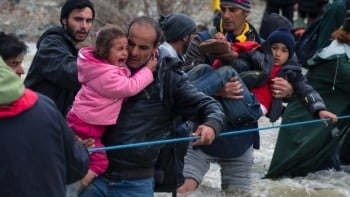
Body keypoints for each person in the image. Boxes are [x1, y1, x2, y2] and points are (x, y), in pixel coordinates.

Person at [79, 16, 225, 197]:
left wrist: (212, 125)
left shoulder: (170, 78)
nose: (133, 52)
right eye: (130, 44)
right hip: (93, 175)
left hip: (135, 184)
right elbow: (79, 105)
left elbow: (209, 105)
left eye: (143, 48)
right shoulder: (104, 65)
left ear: (156, 48)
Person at [177, 0, 294, 195]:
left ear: (246, 13)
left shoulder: (266, 45)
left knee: (239, 194)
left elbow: (297, 77)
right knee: (181, 190)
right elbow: (184, 80)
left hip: (240, 139)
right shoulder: (202, 40)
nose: (226, 14)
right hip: (201, 132)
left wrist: (288, 89)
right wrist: (217, 90)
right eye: (223, 9)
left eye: (232, 10)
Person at [66, 25, 157, 189]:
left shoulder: (100, 67)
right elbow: (130, 87)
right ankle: (80, 184)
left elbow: (123, 75)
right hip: (86, 126)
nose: (126, 53)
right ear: (103, 51)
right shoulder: (106, 76)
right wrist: (148, 71)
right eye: (120, 49)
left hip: (81, 121)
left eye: (125, 48)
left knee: (78, 155)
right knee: (99, 162)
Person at [265, 7, 350, 179]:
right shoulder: (338, 61)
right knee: (283, 179)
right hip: (305, 127)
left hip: (323, 129)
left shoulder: (341, 53)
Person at [0, 57, 89, 197]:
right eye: (15, 64)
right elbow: (75, 167)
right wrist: (81, 149)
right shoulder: (44, 105)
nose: (22, 70)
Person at [24, 0, 95, 116]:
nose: (84, 26)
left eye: (88, 21)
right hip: (37, 120)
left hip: (55, 122)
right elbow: (71, 73)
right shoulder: (50, 44)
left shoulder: (74, 50)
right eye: (78, 19)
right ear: (64, 20)